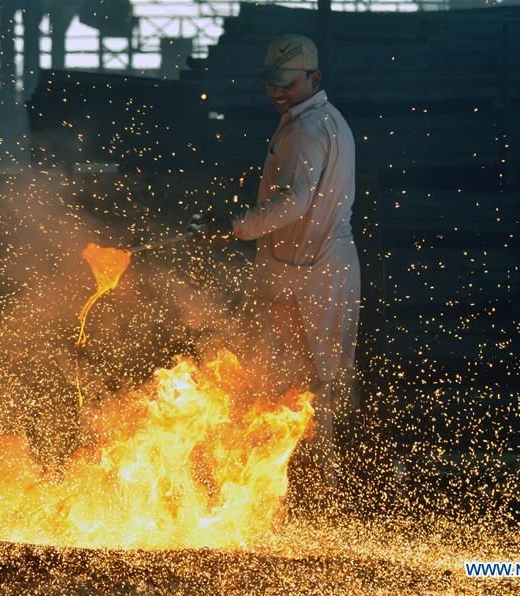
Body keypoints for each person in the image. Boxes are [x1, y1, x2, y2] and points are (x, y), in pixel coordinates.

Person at [189, 33, 360, 511]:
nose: (276, 91)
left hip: (312, 272)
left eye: (286, 83)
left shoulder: (306, 130)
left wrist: (237, 225)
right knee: (307, 382)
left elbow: (296, 201)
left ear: (314, 78)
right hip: (313, 267)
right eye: (272, 83)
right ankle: (310, 491)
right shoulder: (325, 122)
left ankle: (316, 494)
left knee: (308, 384)